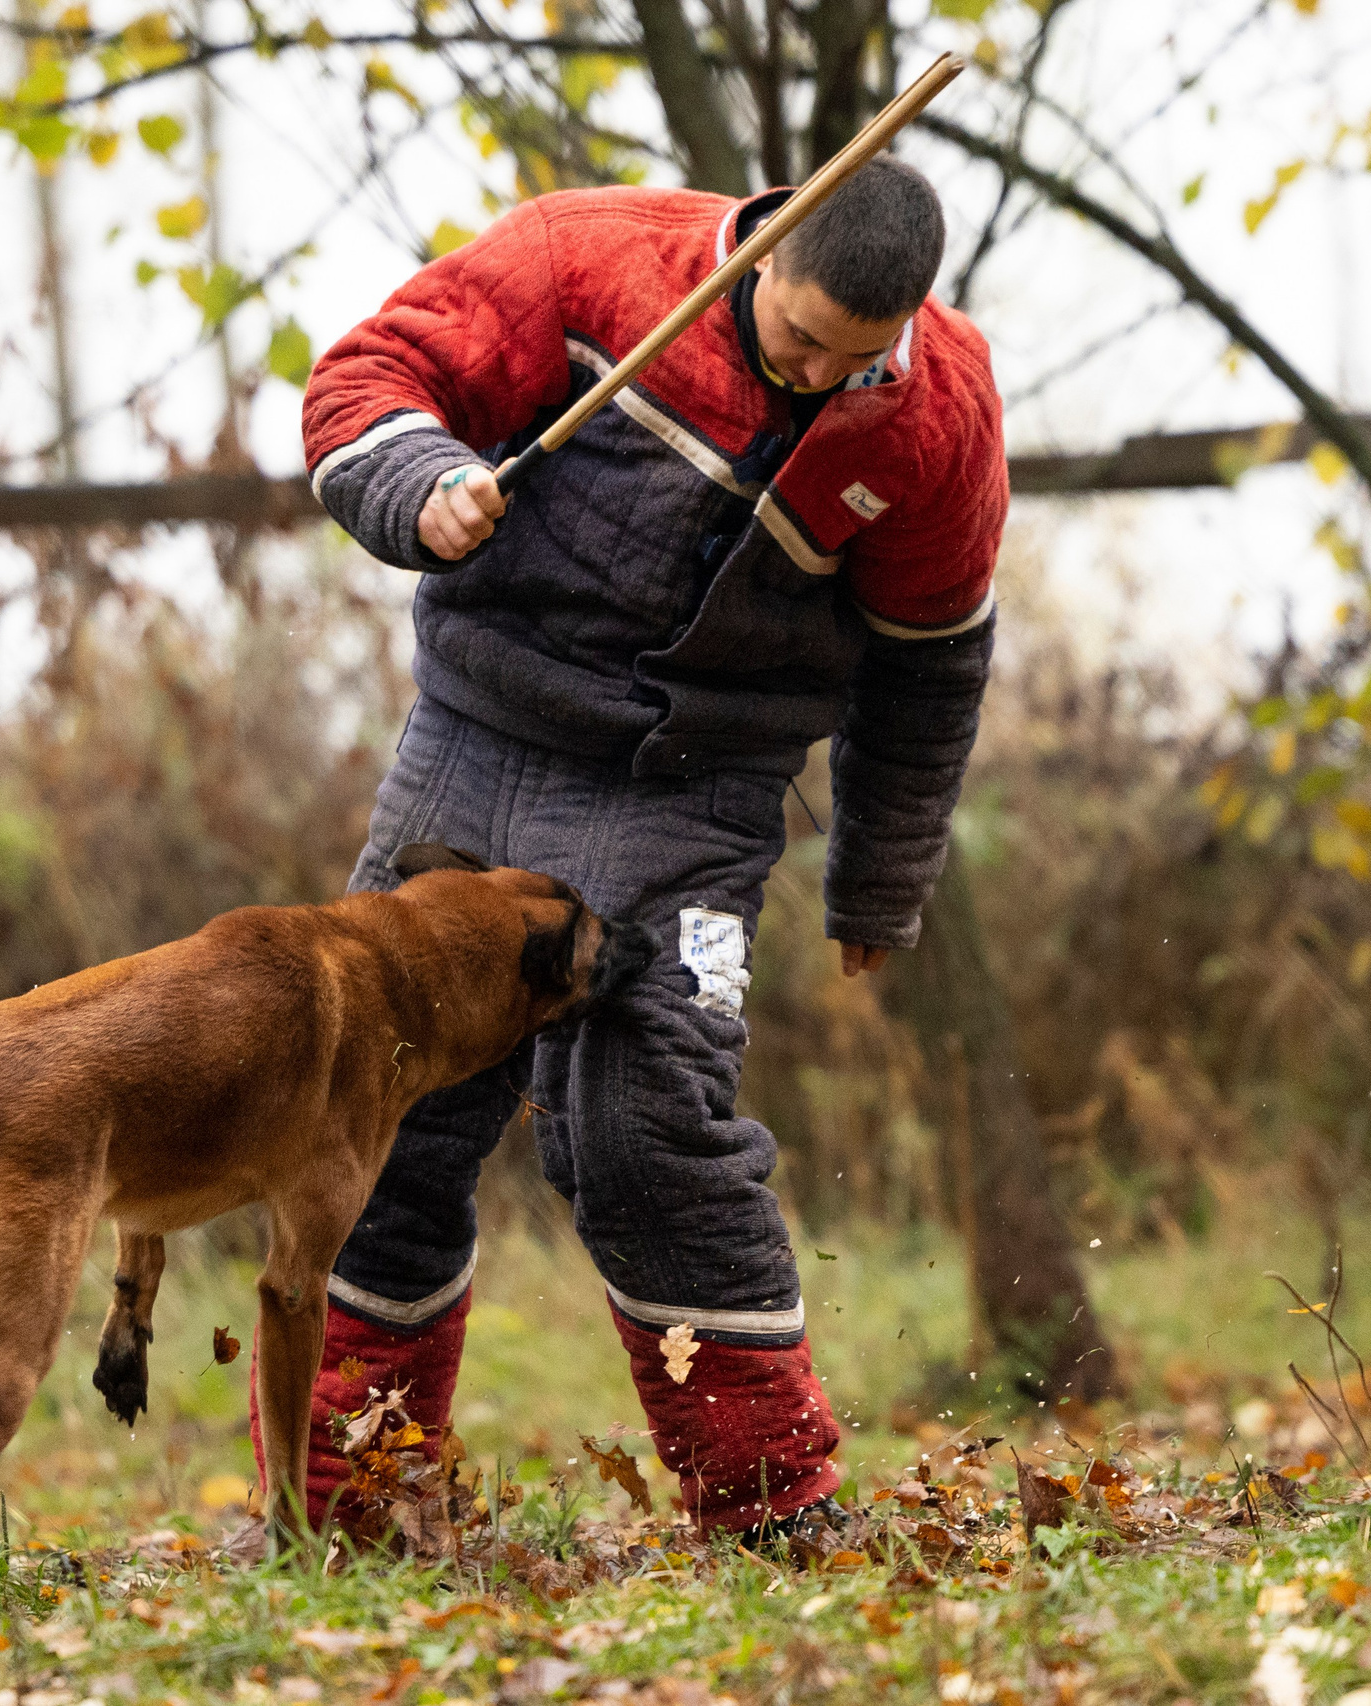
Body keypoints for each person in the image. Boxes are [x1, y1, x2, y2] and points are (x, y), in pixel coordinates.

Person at [282, 154, 1008, 1539]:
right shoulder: (584, 260)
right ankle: (352, 1506)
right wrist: (423, 486)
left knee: (643, 1122)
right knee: (380, 1112)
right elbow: (364, 381)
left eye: (853, 362)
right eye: (796, 337)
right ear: (768, 247)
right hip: (479, 745)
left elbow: (930, 669)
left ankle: (770, 1505)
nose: (812, 376)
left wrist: (878, 876)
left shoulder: (941, 415)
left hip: (699, 793)